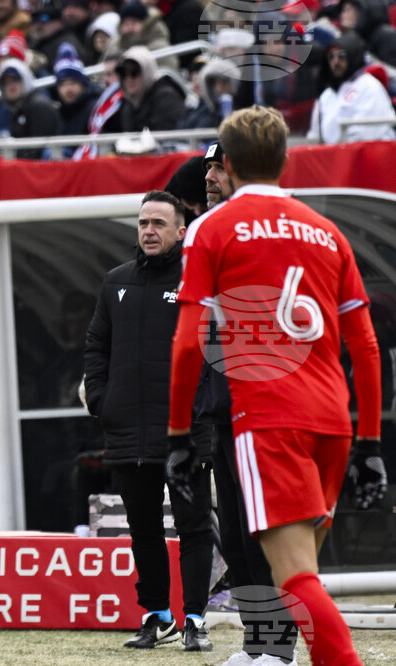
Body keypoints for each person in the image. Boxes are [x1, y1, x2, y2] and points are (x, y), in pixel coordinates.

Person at [167, 105, 386, 666]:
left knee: (294, 581)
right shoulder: (326, 231)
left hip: (268, 419)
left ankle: (289, 654)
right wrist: (369, 443)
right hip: (333, 422)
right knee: (301, 574)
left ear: (229, 163)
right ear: (285, 159)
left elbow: (188, 344)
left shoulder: (211, 228)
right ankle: (269, 650)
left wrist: (178, 437)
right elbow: (365, 346)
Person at [83, 190, 214, 652]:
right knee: (144, 530)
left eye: (158, 223)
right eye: (143, 223)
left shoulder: (199, 280)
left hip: (185, 434)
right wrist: (102, 401)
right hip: (126, 432)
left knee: (194, 527)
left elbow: (215, 351)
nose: (149, 231)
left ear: (181, 230)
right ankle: (157, 615)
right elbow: (96, 347)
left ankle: (196, 619)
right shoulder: (115, 281)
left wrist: (201, 411)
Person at [194, 139, 299, 665]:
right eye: (207, 169)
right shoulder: (206, 232)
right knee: (234, 536)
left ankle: (281, 648)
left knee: (264, 534)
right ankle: (258, 642)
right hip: (219, 410)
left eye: (219, 168)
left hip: (262, 409)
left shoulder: (271, 233)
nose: (209, 178)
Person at [307, 32, 396, 144]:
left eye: (341, 56)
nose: (335, 61)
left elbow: (364, 135)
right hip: (335, 152)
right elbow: (314, 136)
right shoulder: (326, 95)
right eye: (331, 56)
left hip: (370, 152)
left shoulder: (370, 86)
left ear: (353, 56)